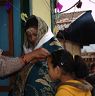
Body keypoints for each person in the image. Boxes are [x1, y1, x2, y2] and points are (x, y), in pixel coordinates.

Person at [9, 15, 63, 96]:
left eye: (35, 34)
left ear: (42, 31)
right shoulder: (27, 50)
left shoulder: (56, 49)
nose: (33, 39)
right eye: (29, 36)